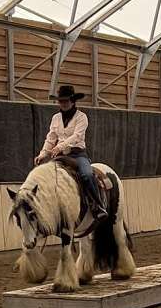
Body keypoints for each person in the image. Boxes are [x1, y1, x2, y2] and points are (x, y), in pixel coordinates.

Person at [35, 85, 108, 220]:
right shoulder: (55, 118)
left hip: (78, 154)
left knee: (86, 174)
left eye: (65, 101)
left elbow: (77, 136)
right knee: (46, 175)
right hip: (61, 155)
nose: (62, 103)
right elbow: (51, 138)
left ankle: (98, 205)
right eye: (60, 101)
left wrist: (60, 146)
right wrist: (43, 154)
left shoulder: (82, 117)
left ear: (73, 101)